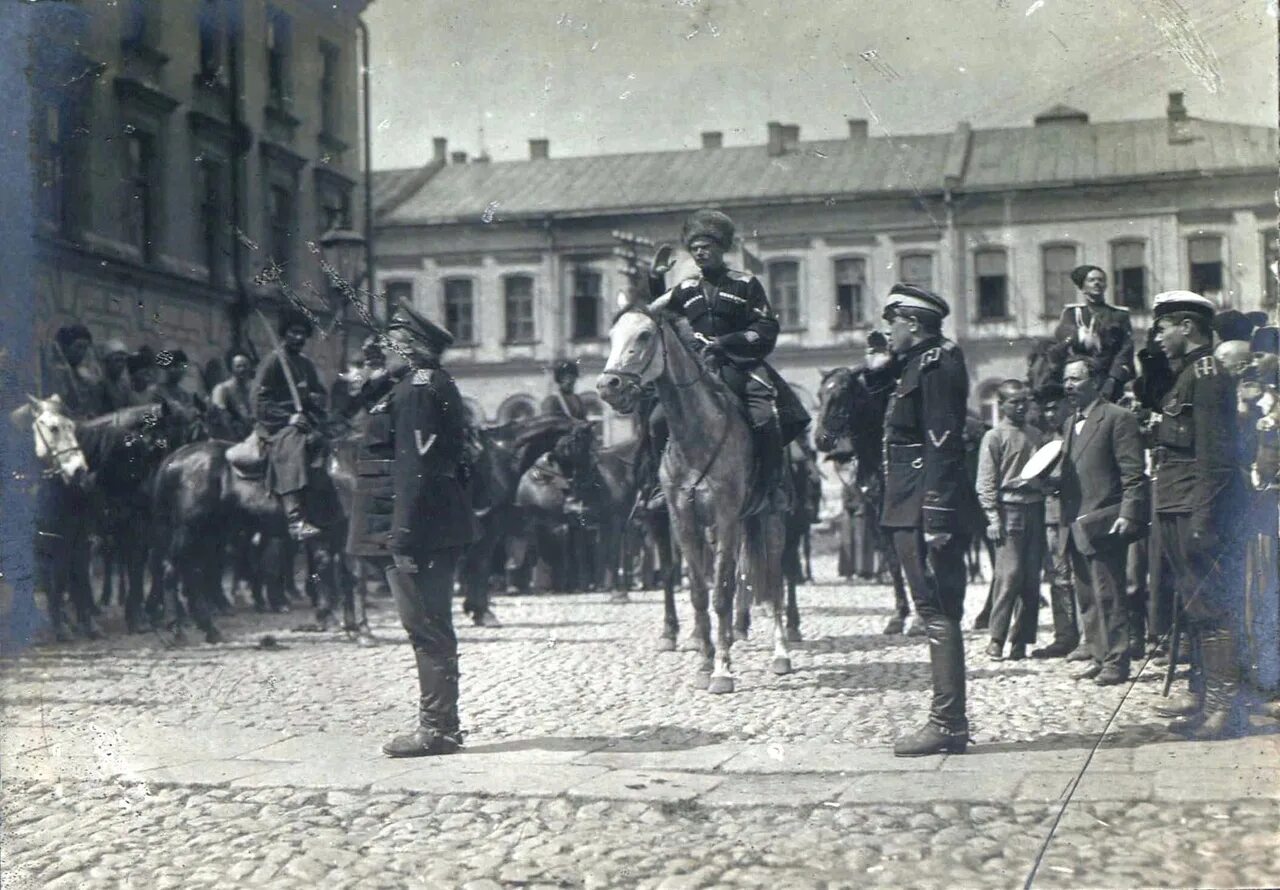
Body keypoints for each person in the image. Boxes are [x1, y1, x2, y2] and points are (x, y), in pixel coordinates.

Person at [364, 304, 481, 757]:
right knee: (434, 627)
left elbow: (415, 467)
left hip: (419, 529)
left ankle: (436, 730)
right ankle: (443, 726)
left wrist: (403, 534)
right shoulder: (426, 385)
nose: (381, 350)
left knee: (426, 628)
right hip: (434, 525)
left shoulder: (415, 390)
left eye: (390, 344)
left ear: (409, 348)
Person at [878, 284, 984, 757]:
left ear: (913, 324)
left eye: (893, 322)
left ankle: (947, 722)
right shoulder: (917, 364)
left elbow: (943, 441)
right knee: (934, 613)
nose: (888, 331)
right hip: (911, 503)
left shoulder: (937, 365)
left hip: (925, 507)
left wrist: (937, 514)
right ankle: (948, 720)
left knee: (939, 612)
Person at [650, 208, 810, 516]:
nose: (699, 252)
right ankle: (659, 486)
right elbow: (658, 316)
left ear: (722, 249)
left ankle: (770, 485)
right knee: (656, 419)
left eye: (706, 246)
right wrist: (655, 278)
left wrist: (727, 343)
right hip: (698, 372)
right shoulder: (685, 289)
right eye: (694, 248)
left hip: (739, 366)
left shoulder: (745, 284)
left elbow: (766, 328)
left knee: (765, 416)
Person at [1148, 291, 1248, 738]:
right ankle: (1206, 702)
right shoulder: (1186, 374)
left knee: (1212, 605)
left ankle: (1226, 709)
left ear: (1186, 327)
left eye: (1163, 327)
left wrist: (1206, 519)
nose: (1158, 336)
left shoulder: (1206, 375)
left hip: (1195, 507)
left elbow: (1217, 456)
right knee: (1194, 606)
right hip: (1177, 502)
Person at [1054, 356, 1149, 686]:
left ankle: (1117, 660)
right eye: (1066, 379)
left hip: (1104, 521)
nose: (1068, 385)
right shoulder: (1068, 423)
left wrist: (1128, 512)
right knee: (1087, 598)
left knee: (1110, 595)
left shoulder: (1118, 418)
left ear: (1094, 380)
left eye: (1076, 379)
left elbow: (1133, 474)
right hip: (1075, 524)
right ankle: (1098, 653)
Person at [976, 380, 1046, 661]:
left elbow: (1044, 472)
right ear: (1002, 404)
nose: (1021, 407)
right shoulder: (994, 437)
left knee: (1031, 580)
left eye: (1024, 401)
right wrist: (993, 518)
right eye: (1014, 402)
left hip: (1035, 509)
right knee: (1009, 576)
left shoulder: (1036, 435)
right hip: (1009, 512)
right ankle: (996, 638)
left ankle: (1021, 641)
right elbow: (986, 482)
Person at [254, 308, 328, 541]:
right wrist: (288, 418)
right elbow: (259, 400)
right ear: (285, 334)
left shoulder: (305, 363)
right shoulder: (274, 361)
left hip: (306, 420)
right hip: (277, 425)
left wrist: (317, 399)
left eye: (303, 334)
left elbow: (319, 392)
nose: (299, 338)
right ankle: (294, 516)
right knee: (293, 442)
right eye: (294, 332)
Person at [1031, 384, 1080, 658]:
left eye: (1054, 407)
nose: (1050, 413)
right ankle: (1064, 636)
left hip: (1078, 514)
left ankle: (1088, 638)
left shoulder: (1078, 434)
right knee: (1058, 576)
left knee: (1082, 576)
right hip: (1052, 518)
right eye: (1045, 408)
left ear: (1067, 406)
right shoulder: (1044, 440)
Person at [1048, 265, 1135, 402]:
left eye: (1100, 280)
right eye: (1092, 280)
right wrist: (1079, 336)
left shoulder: (1119, 315)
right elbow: (1062, 338)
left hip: (1108, 379)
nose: (1097, 283)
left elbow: (1125, 350)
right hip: (1079, 380)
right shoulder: (1072, 313)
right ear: (1082, 287)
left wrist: (1113, 379)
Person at [46, 323, 103, 419]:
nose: (82, 353)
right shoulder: (56, 372)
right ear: (66, 347)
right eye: (78, 347)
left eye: (85, 348)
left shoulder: (82, 375)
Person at [209, 351, 255, 440]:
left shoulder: (253, 388)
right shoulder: (222, 389)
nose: (242, 369)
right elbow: (221, 414)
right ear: (232, 368)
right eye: (238, 366)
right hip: (230, 437)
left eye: (245, 365)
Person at [97, 339, 137, 412]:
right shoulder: (99, 384)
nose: (121, 365)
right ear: (107, 362)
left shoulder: (125, 386)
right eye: (117, 360)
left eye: (123, 360)